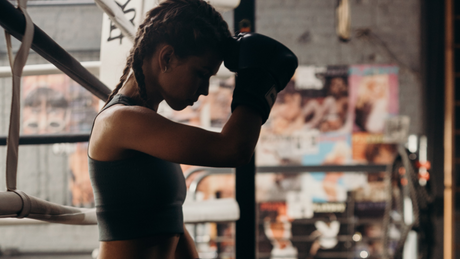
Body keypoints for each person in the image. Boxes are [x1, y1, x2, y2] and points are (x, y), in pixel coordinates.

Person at [87, 0, 297, 258]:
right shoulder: (120, 121)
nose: (206, 89)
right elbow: (233, 150)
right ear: (167, 58)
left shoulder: (146, 126)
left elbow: (172, 226)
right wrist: (260, 83)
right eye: (201, 73)